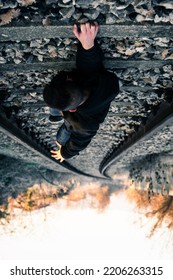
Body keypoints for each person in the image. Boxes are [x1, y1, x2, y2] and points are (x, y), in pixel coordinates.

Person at [43, 22, 119, 162]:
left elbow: (78, 142)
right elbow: (90, 65)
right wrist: (88, 44)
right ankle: (56, 116)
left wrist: (64, 153)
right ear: (70, 79)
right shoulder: (92, 81)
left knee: (63, 133)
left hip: (73, 121)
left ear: (72, 110)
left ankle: (57, 116)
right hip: (72, 108)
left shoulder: (84, 125)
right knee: (54, 98)